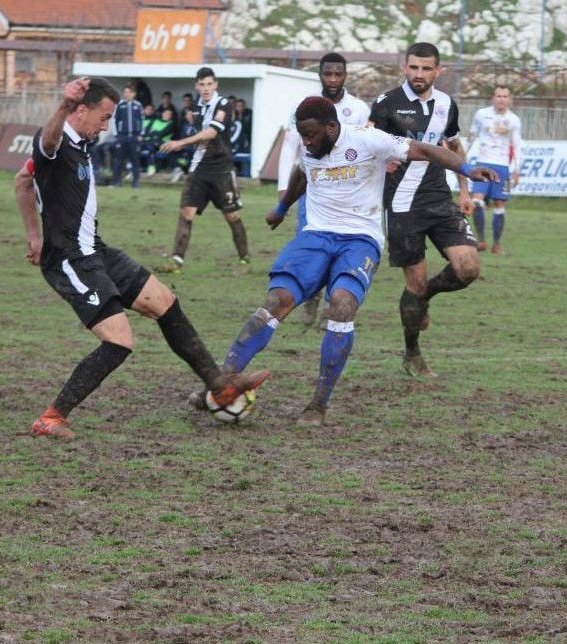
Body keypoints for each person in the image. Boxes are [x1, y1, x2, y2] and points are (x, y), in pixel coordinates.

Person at [210, 96, 497, 425]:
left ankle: (317, 405)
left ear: (332, 128)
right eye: (302, 136)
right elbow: (302, 173)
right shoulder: (311, 144)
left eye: (311, 135)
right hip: (315, 236)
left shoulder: (367, 139)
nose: (306, 141)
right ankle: (219, 382)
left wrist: (466, 168)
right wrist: (282, 207)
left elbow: (428, 150)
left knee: (342, 305)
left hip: (360, 239)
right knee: (277, 300)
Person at [13, 77, 270, 439]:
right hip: (70, 259)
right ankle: (52, 417)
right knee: (119, 340)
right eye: (103, 117)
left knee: (164, 301)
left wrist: (33, 235)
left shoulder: (84, 142)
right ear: (80, 110)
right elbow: (48, 143)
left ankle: (219, 385)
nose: (107, 126)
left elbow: (22, 181)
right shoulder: (55, 142)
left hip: (95, 250)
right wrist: (61, 106)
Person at [370, 42, 483, 379]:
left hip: (438, 199)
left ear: (438, 71)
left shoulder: (447, 105)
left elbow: (453, 145)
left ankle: (427, 297)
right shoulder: (386, 103)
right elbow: (366, 144)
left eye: (426, 68)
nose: (419, 74)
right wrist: (381, 161)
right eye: (413, 68)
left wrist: (464, 189)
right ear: (405, 67)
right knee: (414, 285)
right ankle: (412, 352)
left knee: (468, 269)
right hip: (402, 206)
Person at [277, 52, 371, 326]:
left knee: (342, 251)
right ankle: (310, 301)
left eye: (337, 74)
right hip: (313, 191)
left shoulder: (359, 109)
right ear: (320, 74)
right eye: (327, 74)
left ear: (345, 76)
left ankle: (332, 307)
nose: (332, 79)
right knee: (312, 248)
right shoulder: (305, 107)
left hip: (348, 195)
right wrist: (284, 188)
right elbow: (289, 147)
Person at [158, 67, 250, 272]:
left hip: (222, 170)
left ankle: (245, 259)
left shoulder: (224, 104)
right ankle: (177, 260)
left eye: (209, 84)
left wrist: (180, 143)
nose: (206, 88)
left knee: (232, 216)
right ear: (196, 86)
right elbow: (201, 137)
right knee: (186, 213)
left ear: (215, 84)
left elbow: (211, 133)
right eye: (202, 84)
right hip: (199, 168)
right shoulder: (197, 108)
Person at [467, 86, 522, 255]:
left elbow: (517, 145)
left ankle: (496, 244)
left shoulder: (514, 120)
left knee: (499, 204)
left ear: (509, 99)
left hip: (502, 166)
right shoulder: (481, 114)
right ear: (493, 98)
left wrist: (517, 169)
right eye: (499, 96)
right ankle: (481, 240)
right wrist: (465, 159)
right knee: (477, 201)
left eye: (505, 96)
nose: (502, 99)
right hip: (482, 163)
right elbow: (472, 135)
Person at [111, 84, 144, 188]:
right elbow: (114, 120)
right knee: (119, 160)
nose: (126, 94)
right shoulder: (120, 105)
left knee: (135, 160)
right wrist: (116, 135)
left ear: (133, 94)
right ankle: (117, 182)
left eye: (128, 92)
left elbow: (142, 120)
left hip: (134, 137)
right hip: (122, 137)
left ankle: (136, 183)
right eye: (125, 92)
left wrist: (141, 134)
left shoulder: (138, 105)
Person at [230, 98, 252, 177]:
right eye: (237, 106)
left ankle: (244, 174)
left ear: (244, 106)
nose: (239, 108)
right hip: (234, 145)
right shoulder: (233, 117)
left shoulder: (249, 114)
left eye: (241, 106)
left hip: (244, 141)